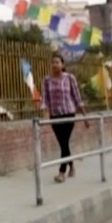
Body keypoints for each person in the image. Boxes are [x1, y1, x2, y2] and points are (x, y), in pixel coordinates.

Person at [40, 52, 87, 184]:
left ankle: (62, 172)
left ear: (63, 65)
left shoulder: (70, 78)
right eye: (53, 62)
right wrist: (44, 114)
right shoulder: (46, 80)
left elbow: (77, 97)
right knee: (63, 143)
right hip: (54, 115)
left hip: (69, 113)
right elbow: (45, 99)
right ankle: (71, 165)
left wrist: (85, 116)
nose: (54, 65)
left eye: (57, 62)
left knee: (64, 142)